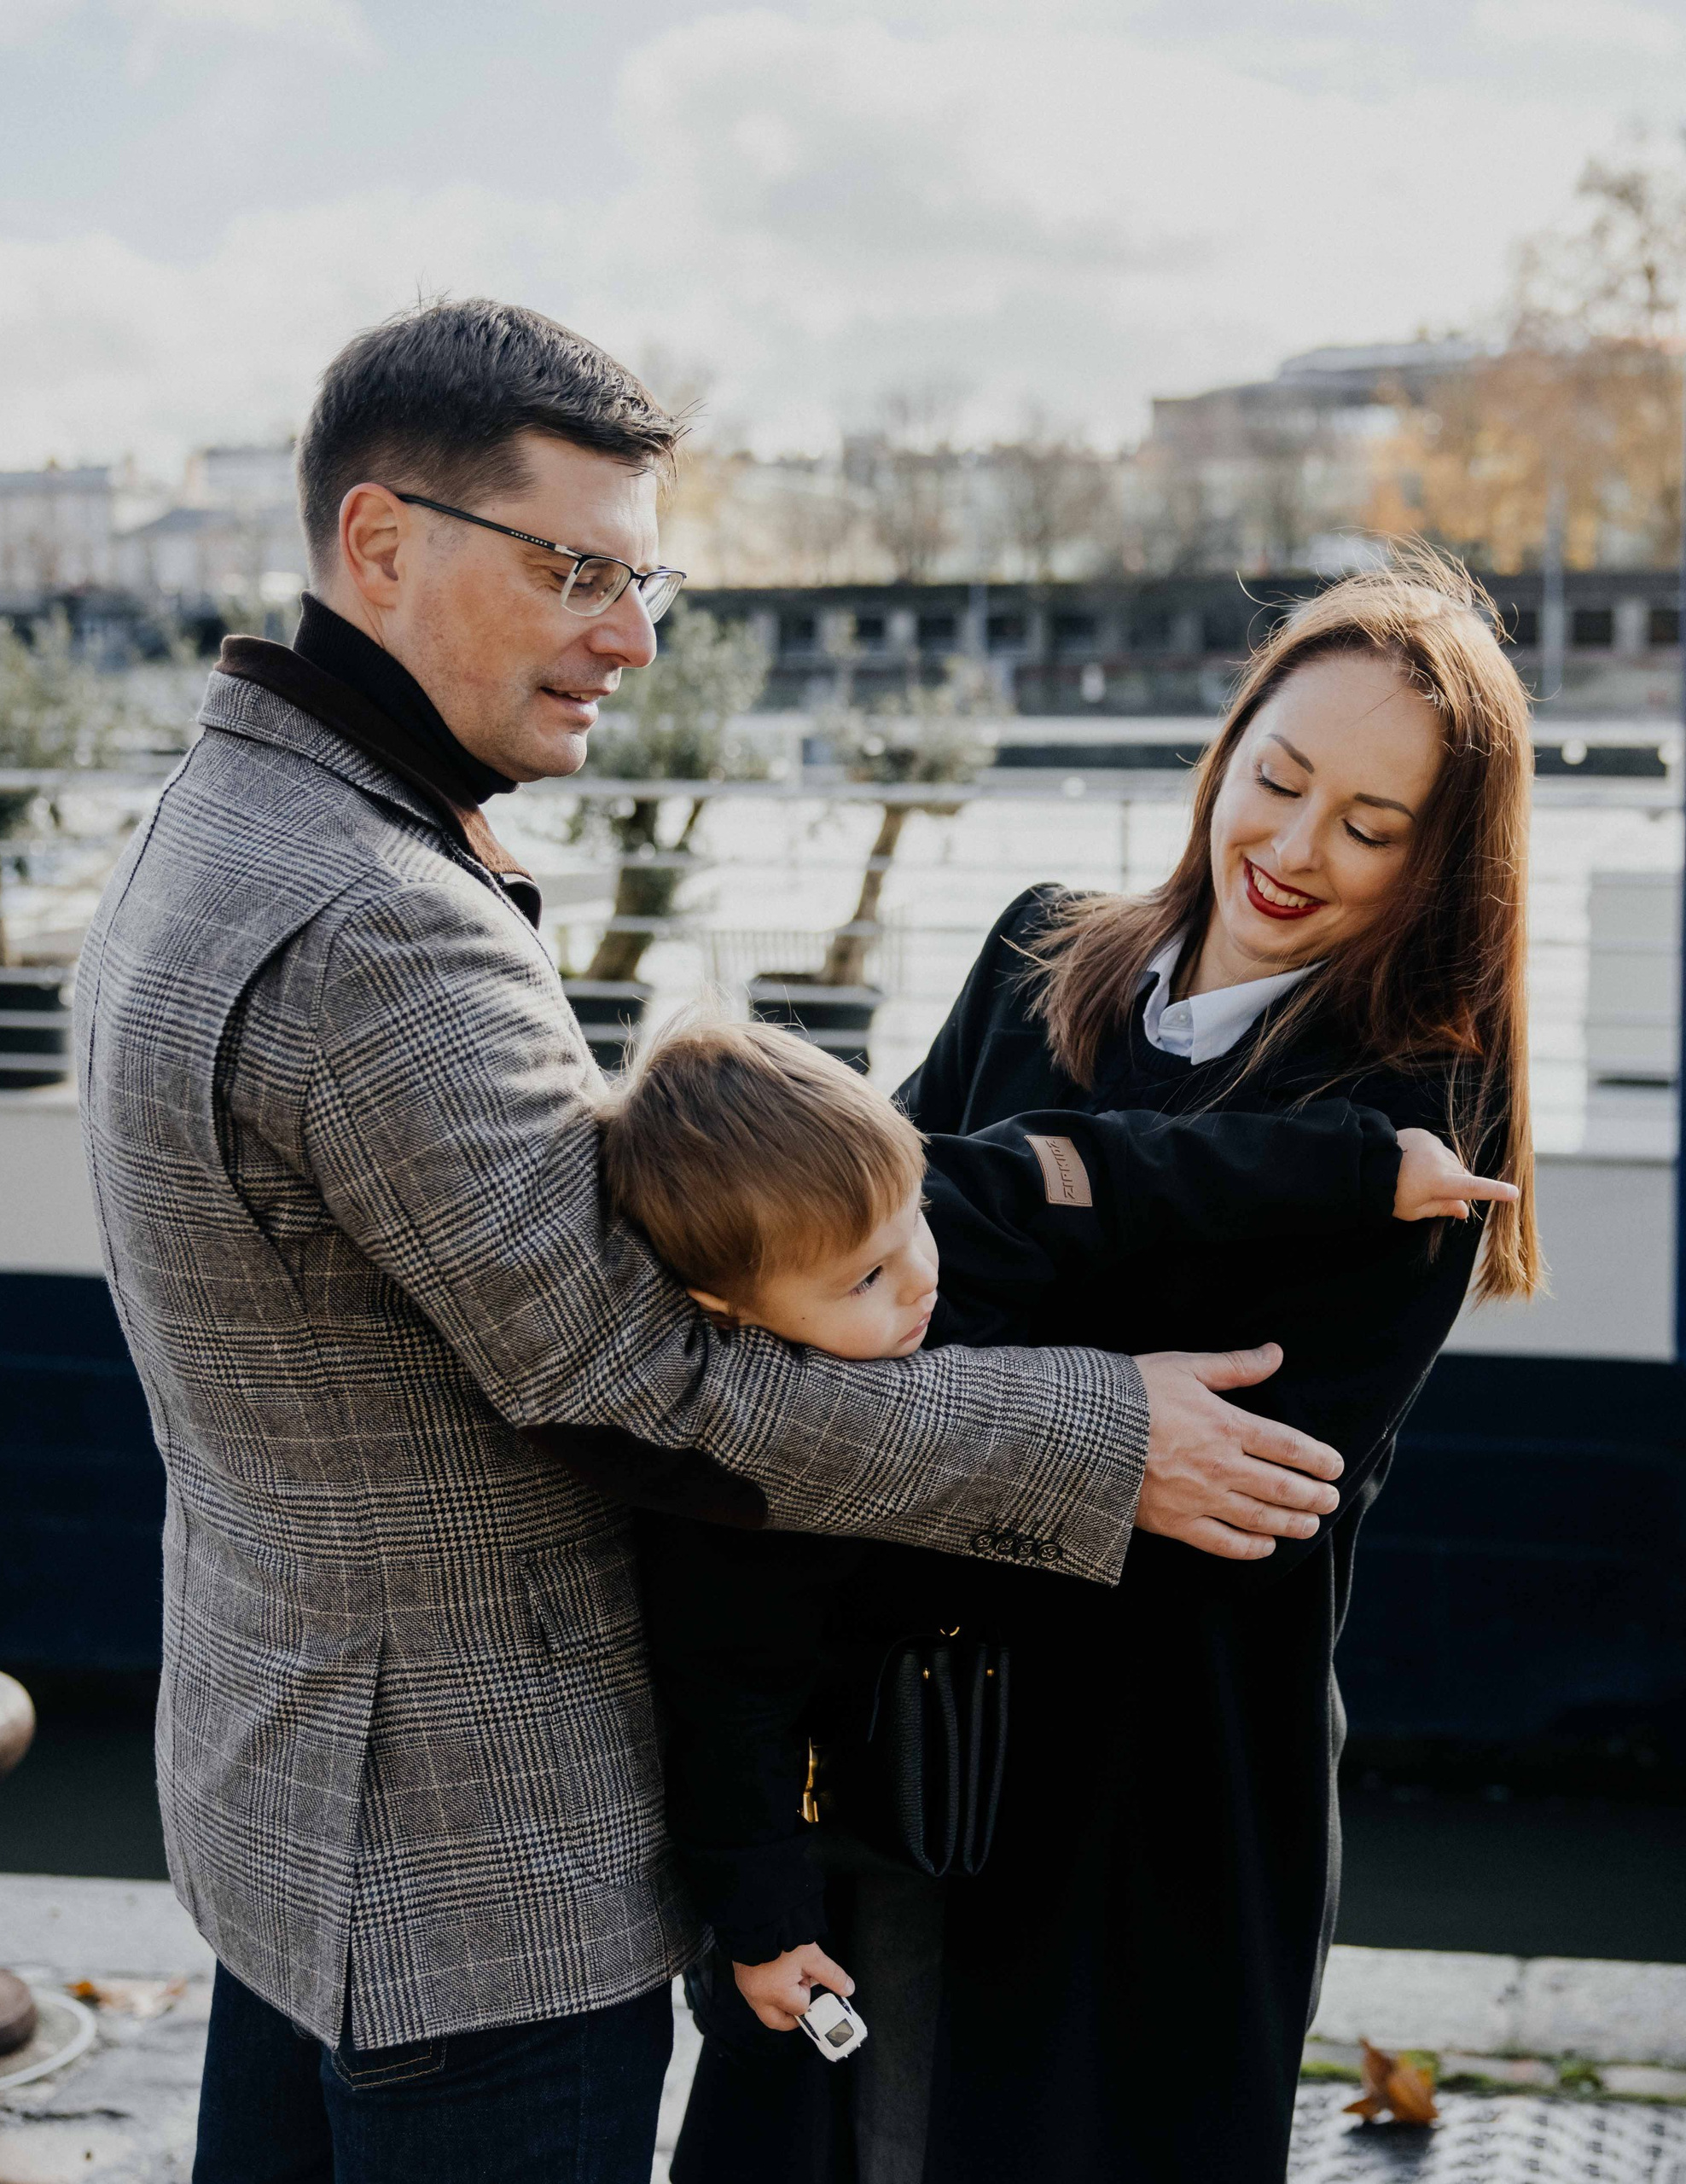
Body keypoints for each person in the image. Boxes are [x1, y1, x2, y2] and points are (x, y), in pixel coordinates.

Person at [72, 298, 1346, 2184]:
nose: (632, 633)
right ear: (379, 542)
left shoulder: (222, 816)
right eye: (577, 567)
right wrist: (1096, 1434)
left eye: (643, 572)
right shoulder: (378, 926)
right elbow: (645, 1380)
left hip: (295, 1806)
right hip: (469, 1869)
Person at [555, 1015, 1509, 2177]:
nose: (918, 1280)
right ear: (729, 1313)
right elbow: (726, 1722)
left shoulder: (960, 1198)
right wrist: (764, 1933)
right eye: (863, 1279)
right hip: (879, 1745)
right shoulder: (730, 1506)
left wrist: (1366, 1169)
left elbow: (1129, 1164)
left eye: (906, 1224)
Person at [896, 553, 1545, 2182]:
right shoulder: (1039, 948)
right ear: (1227, 748)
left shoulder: (1423, 1119)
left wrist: (956, 1286)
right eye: (1279, 779)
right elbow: (857, 1245)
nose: (1294, 851)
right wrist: (1074, 1351)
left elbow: (1240, 1476)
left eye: (1372, 829)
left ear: (1440, 868)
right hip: (907, 1719)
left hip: (1165, 1780)